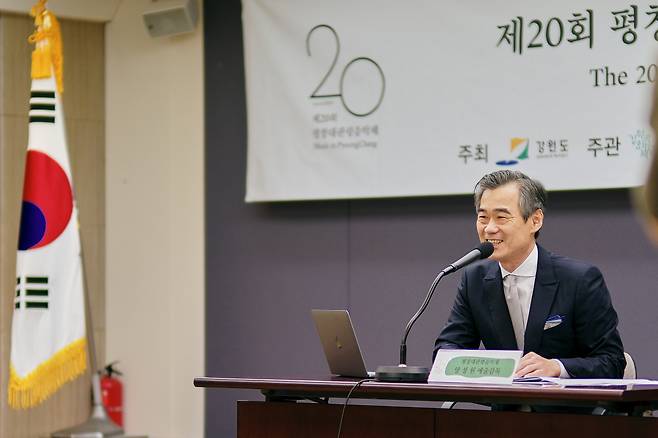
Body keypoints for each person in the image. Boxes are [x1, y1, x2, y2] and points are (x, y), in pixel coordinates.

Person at [434, 170, 625, 378]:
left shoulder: (580, 279)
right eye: (483, 217)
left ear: (535, 220)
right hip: (505, 409)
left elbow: (611, 361)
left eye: (501, 217)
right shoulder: (475, 279)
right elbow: (447, 350)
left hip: (564, 407)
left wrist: (557, 367)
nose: (489, 228)